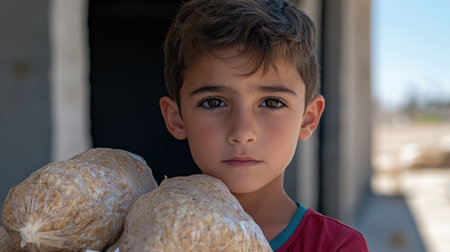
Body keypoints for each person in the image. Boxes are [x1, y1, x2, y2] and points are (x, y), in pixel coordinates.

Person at [159, 0, 369, 251]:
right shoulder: (148, 235)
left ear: (308, 118)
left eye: (272, 102)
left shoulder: (336, 246)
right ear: (176, 118)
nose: (242, 132)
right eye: (214, 102)